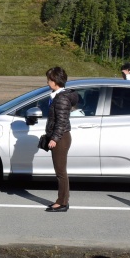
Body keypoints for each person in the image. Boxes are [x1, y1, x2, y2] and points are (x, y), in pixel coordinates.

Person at [44, 66, 79, 212]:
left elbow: (62, 121)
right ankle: (62, 200)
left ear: (55, 81)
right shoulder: (57, 96)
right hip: (60, 136)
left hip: (61, 138)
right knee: (60, 171)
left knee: (61, 172)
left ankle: (62, 202)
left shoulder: (61, 98)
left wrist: (55, 139)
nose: (47, 82)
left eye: (49, 80)